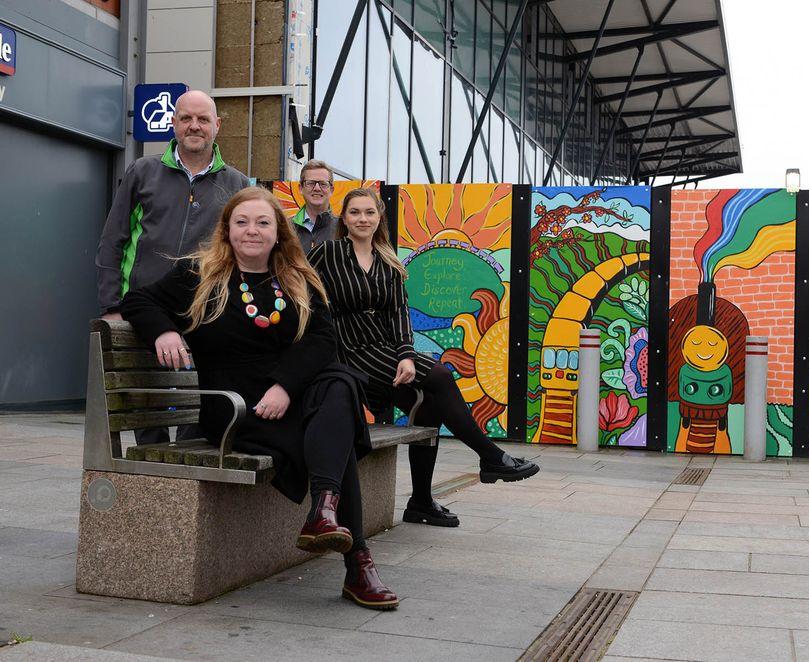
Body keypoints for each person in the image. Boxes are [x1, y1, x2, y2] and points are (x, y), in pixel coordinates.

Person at [121, 187, 397, 611]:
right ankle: (352, 554)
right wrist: (165, 329)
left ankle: (325, 510)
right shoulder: (197, 275)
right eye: (242, 222)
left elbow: (324, 338)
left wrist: (285, 386)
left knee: (340, 386)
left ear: (278, 232)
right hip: (235, 407)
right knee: (335, 435)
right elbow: (137, 299)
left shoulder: (298, 278)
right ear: (227, 230)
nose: (253, 230)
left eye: (263, 222)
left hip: (291, 394)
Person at [308, 188, 539, 529]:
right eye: (355, 212)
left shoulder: (388, 259)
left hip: (384, 349)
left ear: (378, 218)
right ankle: (490, 456)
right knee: (442, 376)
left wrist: (406, 356)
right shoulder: (328, 253)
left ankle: (420, 502)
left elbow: (400, 313)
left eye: (369, 213)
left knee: (429, 404)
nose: (362, 219)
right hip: (348, 352)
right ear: (344, 218)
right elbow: (300, 287)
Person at [96, 89, 250, 444]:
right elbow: (111, 241)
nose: (194, 126)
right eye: (186, 118)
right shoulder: (142, 172)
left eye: (203, 120)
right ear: (174, 123)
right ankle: (154, 477)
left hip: (205, 314)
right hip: (140, 310)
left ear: (217, 126)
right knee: (142, 401)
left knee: (198, 404)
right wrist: (111, 306)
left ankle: (185, 475)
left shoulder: (237, 184)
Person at [292, 160, 339, 251]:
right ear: (301, 188)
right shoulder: (285, 228)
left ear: (332, 190)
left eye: (323, 184)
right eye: (310, 183)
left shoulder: (342, 228)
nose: (317, 188)